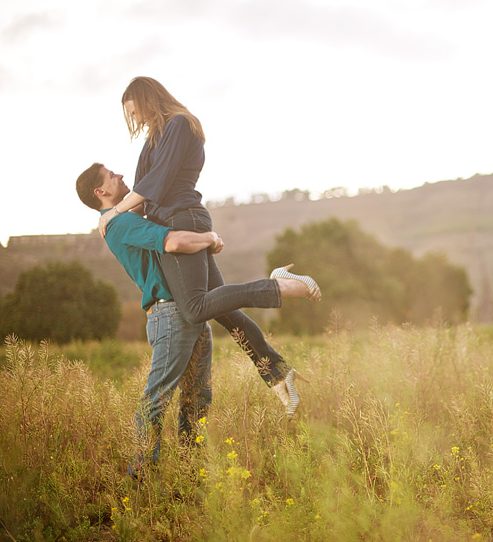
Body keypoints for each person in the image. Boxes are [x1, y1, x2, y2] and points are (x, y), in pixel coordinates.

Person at [97, 77, 316, 418]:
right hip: (173, 221)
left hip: (182, 220)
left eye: (136, 111)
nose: (136, 120)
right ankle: (276, 372)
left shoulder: (179, 124)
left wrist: (114, 211)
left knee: (196, 308)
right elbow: (140, 197)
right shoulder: (152, 139)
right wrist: (113, 214)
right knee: (224, 312)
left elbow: (156, 183)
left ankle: (280, 285)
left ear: (149, 99)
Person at [76, 161, 224, 477]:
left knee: (198, 398)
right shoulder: (119, 225)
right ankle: (139, 478)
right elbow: (174, 241)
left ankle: (192, 475)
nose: (120, 174)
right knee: (155, 400)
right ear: (100, 192)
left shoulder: (123, 217)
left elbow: (149, 194)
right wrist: (210, 238)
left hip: (185, 310)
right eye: (111, 175)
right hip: (169, 313)